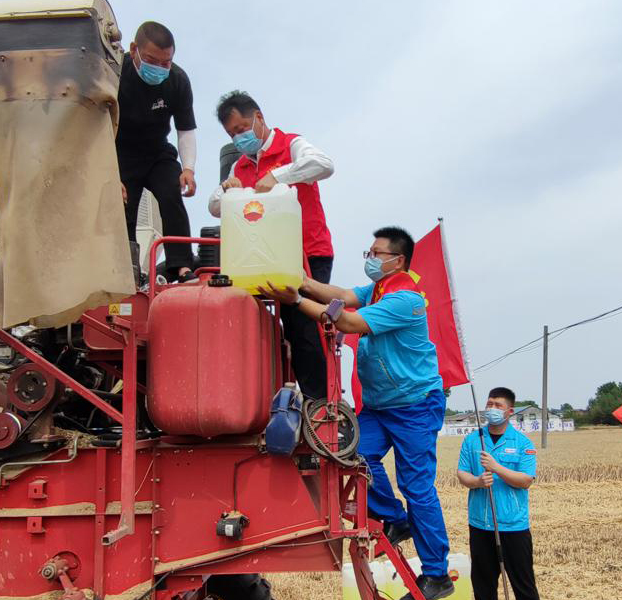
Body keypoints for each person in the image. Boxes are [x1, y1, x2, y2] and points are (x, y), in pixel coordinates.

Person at [258, 226, 454, 600]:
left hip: (414, 406)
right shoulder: (378, 289)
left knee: (417, 486)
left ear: (397, 259)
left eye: (375, 253)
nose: (369, 258)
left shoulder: (405, 298)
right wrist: (299, 280)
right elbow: (342, 296)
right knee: (353, 453)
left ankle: (437, 575)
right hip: (381, 407)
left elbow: (347, 320)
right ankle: (396, 519)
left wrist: (295, 300)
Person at [208, 90, 335, 401]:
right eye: (231, 134)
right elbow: (213, 206)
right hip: (262, 259)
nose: (238, 138)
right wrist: (227, 188)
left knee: (303, 328)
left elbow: (324, 164)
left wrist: (280, 175)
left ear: (259, 119)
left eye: (241, 130)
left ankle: (321, 405)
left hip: (308, 253)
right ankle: (261, 397)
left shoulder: (291, 145)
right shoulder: (239, 167)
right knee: (255, 325)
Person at [117, 21, 197, 281]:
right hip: (119, 153)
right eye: (153, 60)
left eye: (167, 62)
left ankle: (182, 266)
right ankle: (127, 271)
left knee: (171, 192)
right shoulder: (114, 72)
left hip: (157, 151)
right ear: (133, 50)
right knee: (123, 207)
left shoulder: (177, 81)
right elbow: (95, 126)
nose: (160, 68)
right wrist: (107, 173)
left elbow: (185, 129)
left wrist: (188, 169)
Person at [457, 387, 540, 600]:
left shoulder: (523, 443)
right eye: (489, 404)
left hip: (513, 525)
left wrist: (496, 467)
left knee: (524, 585)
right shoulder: (473, 440)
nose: (491, 409)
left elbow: (525, 481)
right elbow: (462, 474)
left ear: (509, 411)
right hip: (480, 524)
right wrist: (477, 481)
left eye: (498, 405)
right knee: (483, 586)